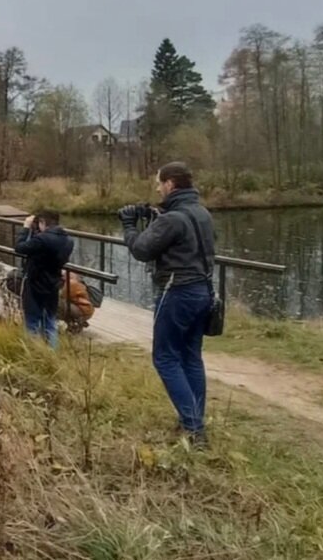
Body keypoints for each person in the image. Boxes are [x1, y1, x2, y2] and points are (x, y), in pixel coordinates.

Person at [119, 161, 215, 445]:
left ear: (171, 184)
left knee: (165, 358)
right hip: (203, 291)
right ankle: (193, 418)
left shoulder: (172, 220)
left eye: (159, 183)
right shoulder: (201, 213)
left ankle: (194, 429)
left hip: (177, 292)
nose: (158, 188)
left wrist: (128, 225)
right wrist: (156, 218)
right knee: (190, 356)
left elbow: (141, 250)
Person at [13, 209, 74, 348]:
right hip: (53, 283)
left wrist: (26, 228)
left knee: (32, 322)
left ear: (42, 222)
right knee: (50, 322)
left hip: (35, 283)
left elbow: (19, 248)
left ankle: (33, 354)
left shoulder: (41, 239)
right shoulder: (68, 240)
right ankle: (53, 354)